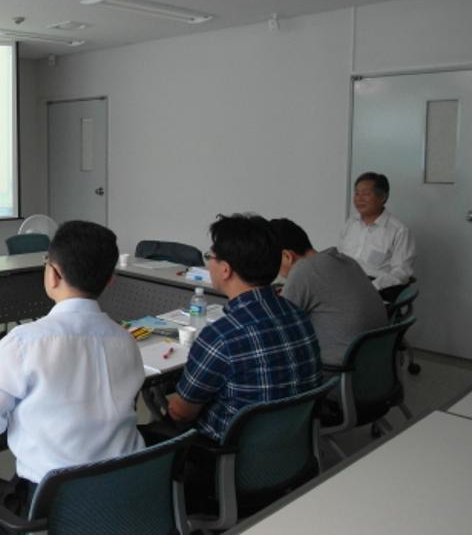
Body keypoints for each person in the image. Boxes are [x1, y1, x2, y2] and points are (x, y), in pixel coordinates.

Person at [0, 220, 145, 535]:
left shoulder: (24, 343)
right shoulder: (126, 341)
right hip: (122, 497)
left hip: (53, 508)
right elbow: (80, 376)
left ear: (52, 274)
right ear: (110, 281)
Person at [142, 214, 321, 509]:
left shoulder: (221, 336)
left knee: (148, 427)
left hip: (228, 463)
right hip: (291, 451)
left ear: (224, 269)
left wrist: (164, 398)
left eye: (209, 255)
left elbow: (182, 414)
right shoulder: (298, 314)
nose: (208, 261)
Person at [270, 218, 387, 366]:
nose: (276, 272)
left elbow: (277, 326)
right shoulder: (345, 260)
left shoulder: (303, 270)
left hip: (338, 372)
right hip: (374, 363)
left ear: (287, 256)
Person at [338, 172, 416, 302]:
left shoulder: (399, 231)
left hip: (376, 289)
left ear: (382, 197)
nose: (359, 199)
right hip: (345, 283)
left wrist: (372, 287)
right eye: (357, 193)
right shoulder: (351, 223)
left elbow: (401, 273)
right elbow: (339, 257)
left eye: (366, 194)